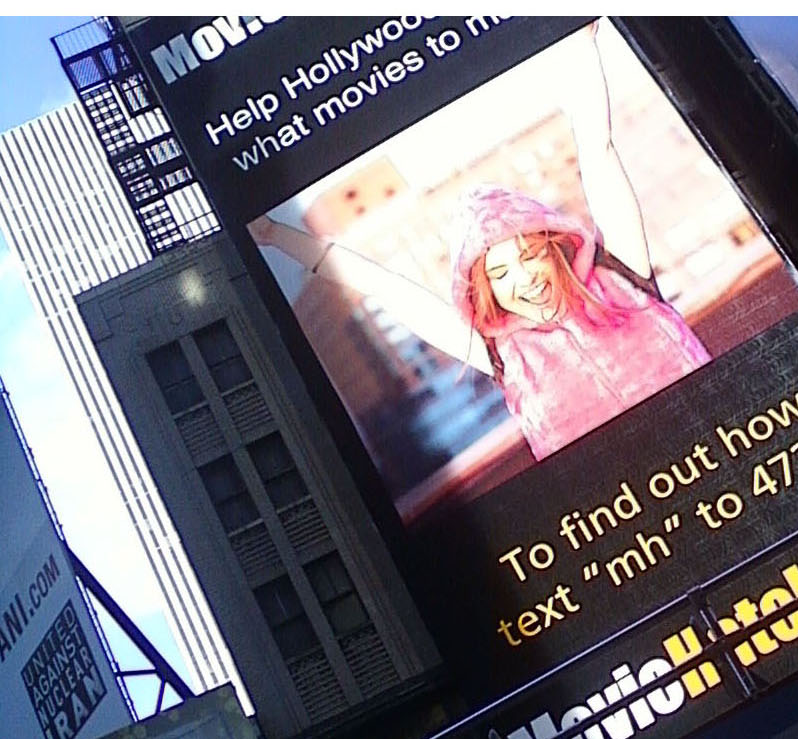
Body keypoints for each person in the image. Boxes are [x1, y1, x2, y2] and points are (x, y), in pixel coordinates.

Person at [249, 24, 710, 461]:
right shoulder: (496, 352)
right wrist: (273, 235)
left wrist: (582, 40)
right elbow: (382, 286)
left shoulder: (621, 274)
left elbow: (597, 148)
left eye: (529, 256)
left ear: (556, 250)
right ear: (486, 290)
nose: (524, 280)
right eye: (501, 273)